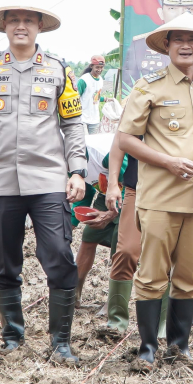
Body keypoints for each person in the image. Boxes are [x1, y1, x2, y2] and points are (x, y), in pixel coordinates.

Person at [0, 0, 87, 364]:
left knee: (60, 257)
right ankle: (13, 337)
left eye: (28, 20)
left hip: (48, 179)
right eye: (13, 19)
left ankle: (61, 342)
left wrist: (76, 170)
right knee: (5, 262)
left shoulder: (58, 70)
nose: (20, 25)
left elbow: (73, 124)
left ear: (40, 27)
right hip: (0, 181)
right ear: (4, 26)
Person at [115, 14, 193, 369]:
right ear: (168, 46)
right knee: (152, 274)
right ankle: (146, 347)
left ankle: (179, 346)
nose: (186, 45)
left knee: (190, 275)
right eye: (178, 40)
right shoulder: (149, 87)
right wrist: (167, 162)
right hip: (159, 198)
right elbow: (126, 139)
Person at [95, 130, 142, 340]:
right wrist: (113, 183)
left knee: (165, 257)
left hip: (172, 188)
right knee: (125, 251)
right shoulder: (138, 98)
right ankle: (116, 320)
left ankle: (160, 327)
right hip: (136, 186)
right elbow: (121, 139)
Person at [72, 131, 119, 308]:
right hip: (106, 193)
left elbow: (133, 181)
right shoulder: (71, 160)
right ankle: (74, 295)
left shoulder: (103, 153)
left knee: (119, 246)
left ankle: (114, 303)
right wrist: (70, 225)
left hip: (131, 193)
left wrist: (111, 214)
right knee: (89, 237)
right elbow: (85, 191)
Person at [77, 55, 106, 134]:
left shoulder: (100, 80)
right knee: (84, 142)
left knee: (93, 144)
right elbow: (76, 97)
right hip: (82, 118)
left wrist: (106, 99)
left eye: (101, 67)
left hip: (95, 119)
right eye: (97, 67)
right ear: (91, 66)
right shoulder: (84, 80)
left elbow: (95, 97)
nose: (99, 70)